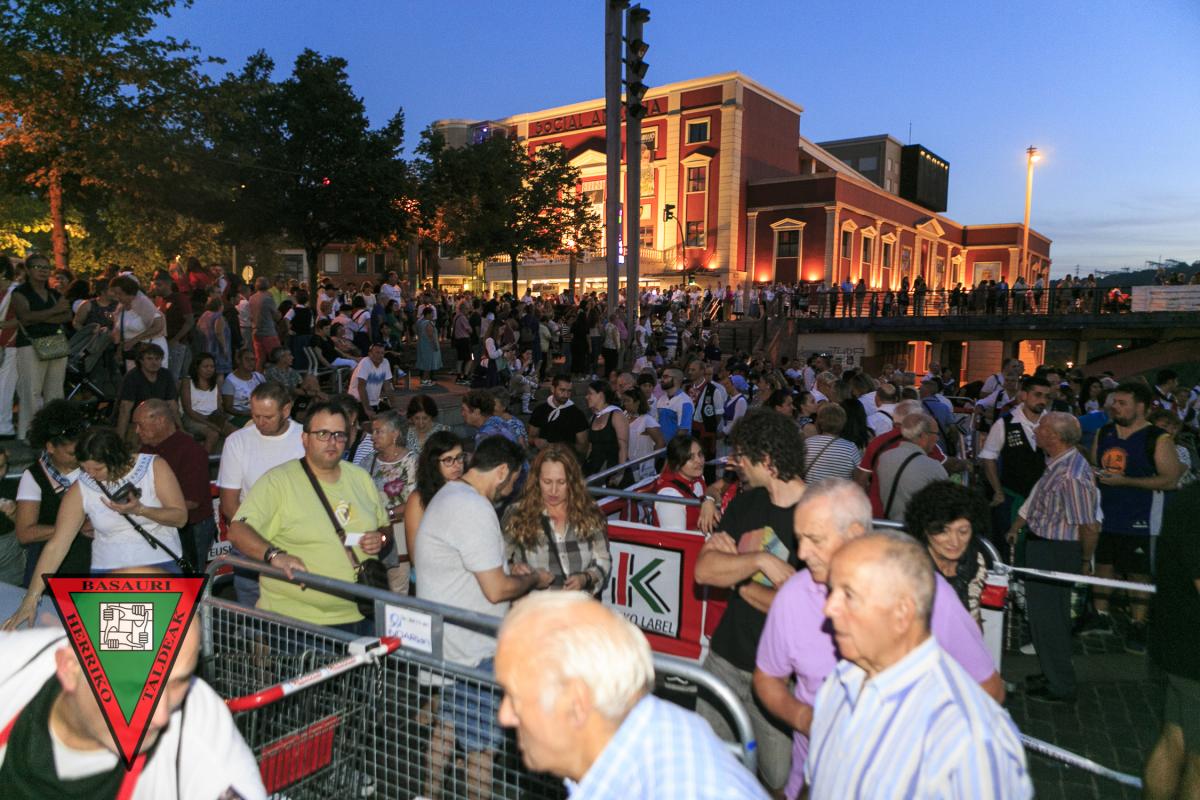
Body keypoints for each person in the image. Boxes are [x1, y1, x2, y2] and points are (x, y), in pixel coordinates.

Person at [755, 481, 1004, 800]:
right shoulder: (793, 595)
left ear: (855, 534)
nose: (801, 553)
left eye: (814, 540)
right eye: (799, 539)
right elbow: (767, 677)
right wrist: (804, 718)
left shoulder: (927, 594)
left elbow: (989, 690)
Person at [803, 533, 1032, 799]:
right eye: (832, 591)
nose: (829, 609)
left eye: (849, 595)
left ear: (902, 612)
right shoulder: (840, 682)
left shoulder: (971, 737)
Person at [495, 592, 768, 800]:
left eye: (515, 697)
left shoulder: (681, 789)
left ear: (577, 704)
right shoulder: (647, 734)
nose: (504, 716)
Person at [0, 604, 266, 798]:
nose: (161, 716)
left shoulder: (201, 738)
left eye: (178, 682)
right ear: (70, 669)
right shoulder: (11, 667)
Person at [414, 435, 537, 799]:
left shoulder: (450, 495)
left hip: (452, 641)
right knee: (482, 748)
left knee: (448, 726)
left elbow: (475, 569)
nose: (511, 489)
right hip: (473, 649)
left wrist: (508, 572)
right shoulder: (474, 508)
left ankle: (428, 794)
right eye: (513, 481)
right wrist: (532, 580)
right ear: (502, 471)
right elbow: (496, 590)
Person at [693, 408, 807, 792]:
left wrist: (738, 579)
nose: (736, 463)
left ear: (767, 460)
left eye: (742, 456)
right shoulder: (746, 503)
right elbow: (704, 571)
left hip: (779, 675)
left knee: (781, 780)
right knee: (710, 764)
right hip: (724, 660)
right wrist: (759, 561)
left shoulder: (816, 517)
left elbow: (799, 608)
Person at [3, 426, 189, 629]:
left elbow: (180, 518)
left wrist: (141, 509)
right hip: (109, 574)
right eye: (84, 469)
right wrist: (31, 598)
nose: (91, 474)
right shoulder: (83, 485)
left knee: (158, 641)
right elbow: (57, 545)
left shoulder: (153, 466)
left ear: (115, 458)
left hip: (157, 567)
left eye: (97, 469)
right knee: (122, 644)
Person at [227, 400, 386, 633]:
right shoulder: (278, 482)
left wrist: (381, 538)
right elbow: (237, 531)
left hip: (363, 611)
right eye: (322, 434)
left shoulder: (361, 478)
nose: (332, 441)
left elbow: (384, 527)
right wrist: (274, 555)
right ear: (304, 439)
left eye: (339, 435)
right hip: (300, 625)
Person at [1001, 412, 1100, 704]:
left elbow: (1089, 526)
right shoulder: (1059, 463)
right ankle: (1051, 672)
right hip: (1046, 547)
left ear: (1055, 437)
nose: (1036, 430)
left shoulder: (1071, 475)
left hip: (1056, 551)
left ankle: (1060, 685)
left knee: (1051, 620)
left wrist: (1084, 562)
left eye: (1041, 427)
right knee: (1044, 618)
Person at [1086, 381, 1183, 651]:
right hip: (1105, 514)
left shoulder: (1158, 438)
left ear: (1140, 406)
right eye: (1114, 402)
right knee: (1103, 564)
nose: (1115, 407)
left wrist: (1126, 481)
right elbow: (1094, 465)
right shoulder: (1105, 432)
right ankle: (1100, 615)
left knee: (1138, 572)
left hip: (1141, 517)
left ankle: (1138, 623)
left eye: (1122, 403)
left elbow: (1170, 480)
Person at [216, 381, 304, 607]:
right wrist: (256, 541)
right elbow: (229, 504)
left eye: (268, 417)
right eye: (255, 416)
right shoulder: (237, 441)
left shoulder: (306, 439)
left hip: (297, 540)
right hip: (250, 542)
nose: (260, 423)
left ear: (286, 410)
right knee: (252, 610)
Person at [1145, 481, 1200, 799]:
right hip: (1193, 650)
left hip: (1180, 644)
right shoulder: (1195, 505)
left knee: (1174, 739)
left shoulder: (1189, 499)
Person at [504, 444, 611, 593]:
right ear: (536, 480)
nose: (553, 490)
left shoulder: (589, 512)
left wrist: (585, 578)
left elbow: (603, 560)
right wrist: (512, 569)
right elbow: (496, 561)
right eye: (547, 482)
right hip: (534, 606)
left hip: (578, 605)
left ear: (572, 481)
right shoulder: (518, 513)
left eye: (561, 482)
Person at [133, 400, 215, 572]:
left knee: (189, 577)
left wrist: (144, 510)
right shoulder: (146, 450)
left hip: (190, 529)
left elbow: (192, 501)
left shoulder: (190, 451)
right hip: (160, 524)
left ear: (160, 420)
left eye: (140, 425)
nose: (136, 431)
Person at [13, 401, 88, 587]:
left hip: (93, 565)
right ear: (50, 447)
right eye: (71, 453)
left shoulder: (94, 468)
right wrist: (76, 527)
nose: (79, 457)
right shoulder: (34, 476)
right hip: (52, 570)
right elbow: (25, 533)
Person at [979, 374, 1050, 555]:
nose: (1043, 401)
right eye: (1037, 395)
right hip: (1013, 496)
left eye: (1046, 396)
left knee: (1038, 550)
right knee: (1008, 548)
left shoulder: (1052, 423)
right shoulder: (1005, 423)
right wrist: (997, 490)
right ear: (1024, 395)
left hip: (1045, 499)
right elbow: (988, 456)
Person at [905, 480, 993, 623]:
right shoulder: (908, 569)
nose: (955, 542)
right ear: (925, 530)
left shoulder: (973, 560)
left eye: (963, 531)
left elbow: (972, 616)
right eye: (943, 531)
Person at [12, 254, 72, 441]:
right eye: (38, 267)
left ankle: (54, 432)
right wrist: (54, 312)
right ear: (28, 270)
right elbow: (25, 317)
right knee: (31, 391)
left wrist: (42, 317)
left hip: (54, 342)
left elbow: (67, 316)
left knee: (55, 391)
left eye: (46, 267)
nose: (43, 271)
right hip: (30, 344)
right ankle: (29, 433)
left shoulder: (54, 294)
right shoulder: (20, 292)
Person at [366, 409, 417, 595]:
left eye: (378, 431)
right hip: (373, 533)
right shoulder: (369, 461)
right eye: (373, 431)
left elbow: (415, 500)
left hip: (400, 533)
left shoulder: (411, 461)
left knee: (397, 589)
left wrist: (387, 514)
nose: (373, 436)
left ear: (395, 434)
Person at [403, 430, 465, 570]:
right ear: (433, 463)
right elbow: (415, 555)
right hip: (435, 572)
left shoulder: (468, 490)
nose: (457, 465)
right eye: (448, 460)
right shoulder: (418, 499)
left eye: (460, 457)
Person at [875, 412, 948, 521]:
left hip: (890, 524)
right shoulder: (933, 467)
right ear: (923, 436)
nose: (937, 439)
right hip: (916, 527)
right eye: (936, 434)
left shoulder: (884, 457)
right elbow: (944, 505)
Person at [115, 343, 177, 441]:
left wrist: (180, 428)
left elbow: (172, 404)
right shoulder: (132, 377)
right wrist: (119, 439)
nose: (154, 362)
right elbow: (125, 409)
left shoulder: (166, 375)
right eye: (149, 359)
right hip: (136, 422)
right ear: (141, 361)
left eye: (157, 359)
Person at [109, 274, 168, 374]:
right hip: (132, 353)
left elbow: (158, 326)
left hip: (151, 351)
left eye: (120, 294)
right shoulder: (121, 307)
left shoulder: (143, 304)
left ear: (128, 292)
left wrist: (135, 340)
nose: (117, 297)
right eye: (115, 294)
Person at [179, 352, 235, 453]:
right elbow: (188, 410)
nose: (209, 369)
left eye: (212, 367)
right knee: (213, 434)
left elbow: (218, 407)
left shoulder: (215, 383)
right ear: (197, 367)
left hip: (212, 416)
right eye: (205, 366)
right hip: (193, 418)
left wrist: (221, 419)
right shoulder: (187, 382)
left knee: (235, 432)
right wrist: (210, 424)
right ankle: (202, 460)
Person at [653, 434, 708, 530]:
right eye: (690, 458)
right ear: (677, 463)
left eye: (700, 454)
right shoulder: (669, 495)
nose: (699, 461)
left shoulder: (698, 479)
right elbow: (677, 536)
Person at [528, 373, 589, 455]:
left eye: (569, 391)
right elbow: (530, 437)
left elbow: (583, 447)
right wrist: (536, 441)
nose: (566, 395)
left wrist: (557, 447)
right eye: (562, 390)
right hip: (544, 457)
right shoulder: (540, 410)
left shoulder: (577, 414)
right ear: (552, 389)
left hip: (566, 458)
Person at [800, 403, 861, 485]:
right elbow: (858, 479)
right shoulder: (850, 448)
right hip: (839, 493)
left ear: (819, 422)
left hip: (812, 492)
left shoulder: (807, 444)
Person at [583, 380, 629, 480]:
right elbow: (590, 448)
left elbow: (623, 447)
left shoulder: (616, 415)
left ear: (601, 395)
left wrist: (620, 474)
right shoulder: (593, 418)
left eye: (590, 393)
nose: (587, 397)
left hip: (613, 469)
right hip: (594, 470)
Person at [151, 273, 194, 380]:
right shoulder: (160, 301)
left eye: (159, 285)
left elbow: (189, 321)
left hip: (177, 343)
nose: (155, 287)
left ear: (167, 284)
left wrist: (175, 340)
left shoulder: (179, 298)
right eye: (155, 284)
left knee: (174, 376)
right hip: (164, 342)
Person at [623, 388, 664, 482]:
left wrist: (650, 462)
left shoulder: (647, 420)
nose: (624, 403)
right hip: (626, 463)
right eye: (624, 401)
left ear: (637, 402)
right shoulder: (623, 415)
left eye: (627, 401)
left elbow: (660, 443)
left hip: (642, 466)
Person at [348, 342, 397, 419]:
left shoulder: (385, 362)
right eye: (377, 353)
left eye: (382, 353)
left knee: (392, 417)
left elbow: (388, 387)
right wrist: (367, 409)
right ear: (370, 354)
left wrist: (394, 407)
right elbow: (361, 387)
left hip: (375, 402)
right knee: (368, 421)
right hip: (357, 402)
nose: (380, 355)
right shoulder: (365, 362)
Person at [220, 348, 265, 427]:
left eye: (253, 360)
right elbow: (228, 407)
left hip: (258, 413)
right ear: (238, 360)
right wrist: (246, 413)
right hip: (238, 416)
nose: (251, 362)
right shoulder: (230, 381)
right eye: (247, 359)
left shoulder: (259, 377)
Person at [248, 276, 280, 371]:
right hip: (268, 332)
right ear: (268, 285)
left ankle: (258, 377)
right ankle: (275, 377)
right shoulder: (268, 298)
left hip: (256, 332)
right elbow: (276, 316)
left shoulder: (252, 298)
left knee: (260, 359)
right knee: (277, 356)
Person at [196, 294, 232, 376]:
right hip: (217, 350)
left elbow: (198, 329)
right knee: (220, 373)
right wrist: (224, 348)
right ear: (220, 306)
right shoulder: (218, 317)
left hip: (206, 347)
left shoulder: (204, 315)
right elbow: (219, 333)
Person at [414, 305, 441, 387]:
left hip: (422, 344)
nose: (433, 316)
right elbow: (430, 335)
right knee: (428, 363)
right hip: (428, 346)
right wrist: (435, 346)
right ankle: (425, 380)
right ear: (428, 314)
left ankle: (426, 379)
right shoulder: (428, 323)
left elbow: (415, 330)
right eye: (432, 314)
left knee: (424, 362)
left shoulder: (419, 322)